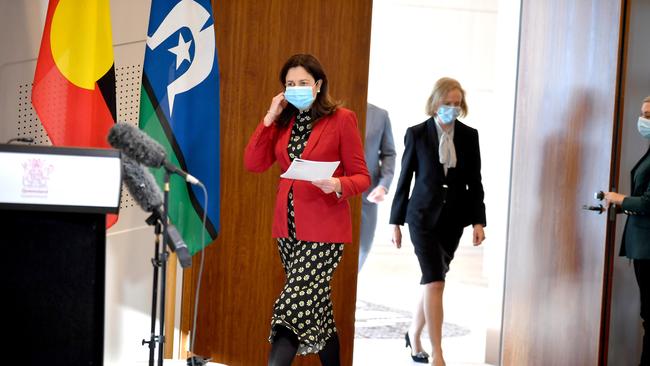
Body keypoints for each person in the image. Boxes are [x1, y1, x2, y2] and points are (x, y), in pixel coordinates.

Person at [244, 53, 370, 366]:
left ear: (318, 85)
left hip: (325, 233)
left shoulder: (342, 119)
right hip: (287, 230)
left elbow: (362, 177)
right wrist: (269, 118)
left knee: (290, 308)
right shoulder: (283, 123)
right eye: (289, 84)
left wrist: (338, 184)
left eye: (302, 83)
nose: (296, 88)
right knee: (318, 311)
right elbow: (254, 163)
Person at [389, 77, 486, 366]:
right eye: (447, 104)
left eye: (457, 104)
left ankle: (413, 334)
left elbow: (475, 182)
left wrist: (479, 221)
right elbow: (404, 180)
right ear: (435, 103)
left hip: (453, 219)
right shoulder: (417, 134)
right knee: (435, 282)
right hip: (421, 217)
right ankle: (438, 352)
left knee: (433, 280)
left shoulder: (469, 136)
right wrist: (395, 222)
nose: (452, 109)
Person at [604, 95, 650, 366]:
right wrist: (620, 206)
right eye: (643, 114)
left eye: (649, 115)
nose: (644, 120)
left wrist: (619, 199)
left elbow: (648, 201)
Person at [358, 103, 396, 271]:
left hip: (367, 195)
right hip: (333, 193)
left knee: (363, 249)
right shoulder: (330, 111)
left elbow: (389, 154)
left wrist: (383, 185)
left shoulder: (380, 115)